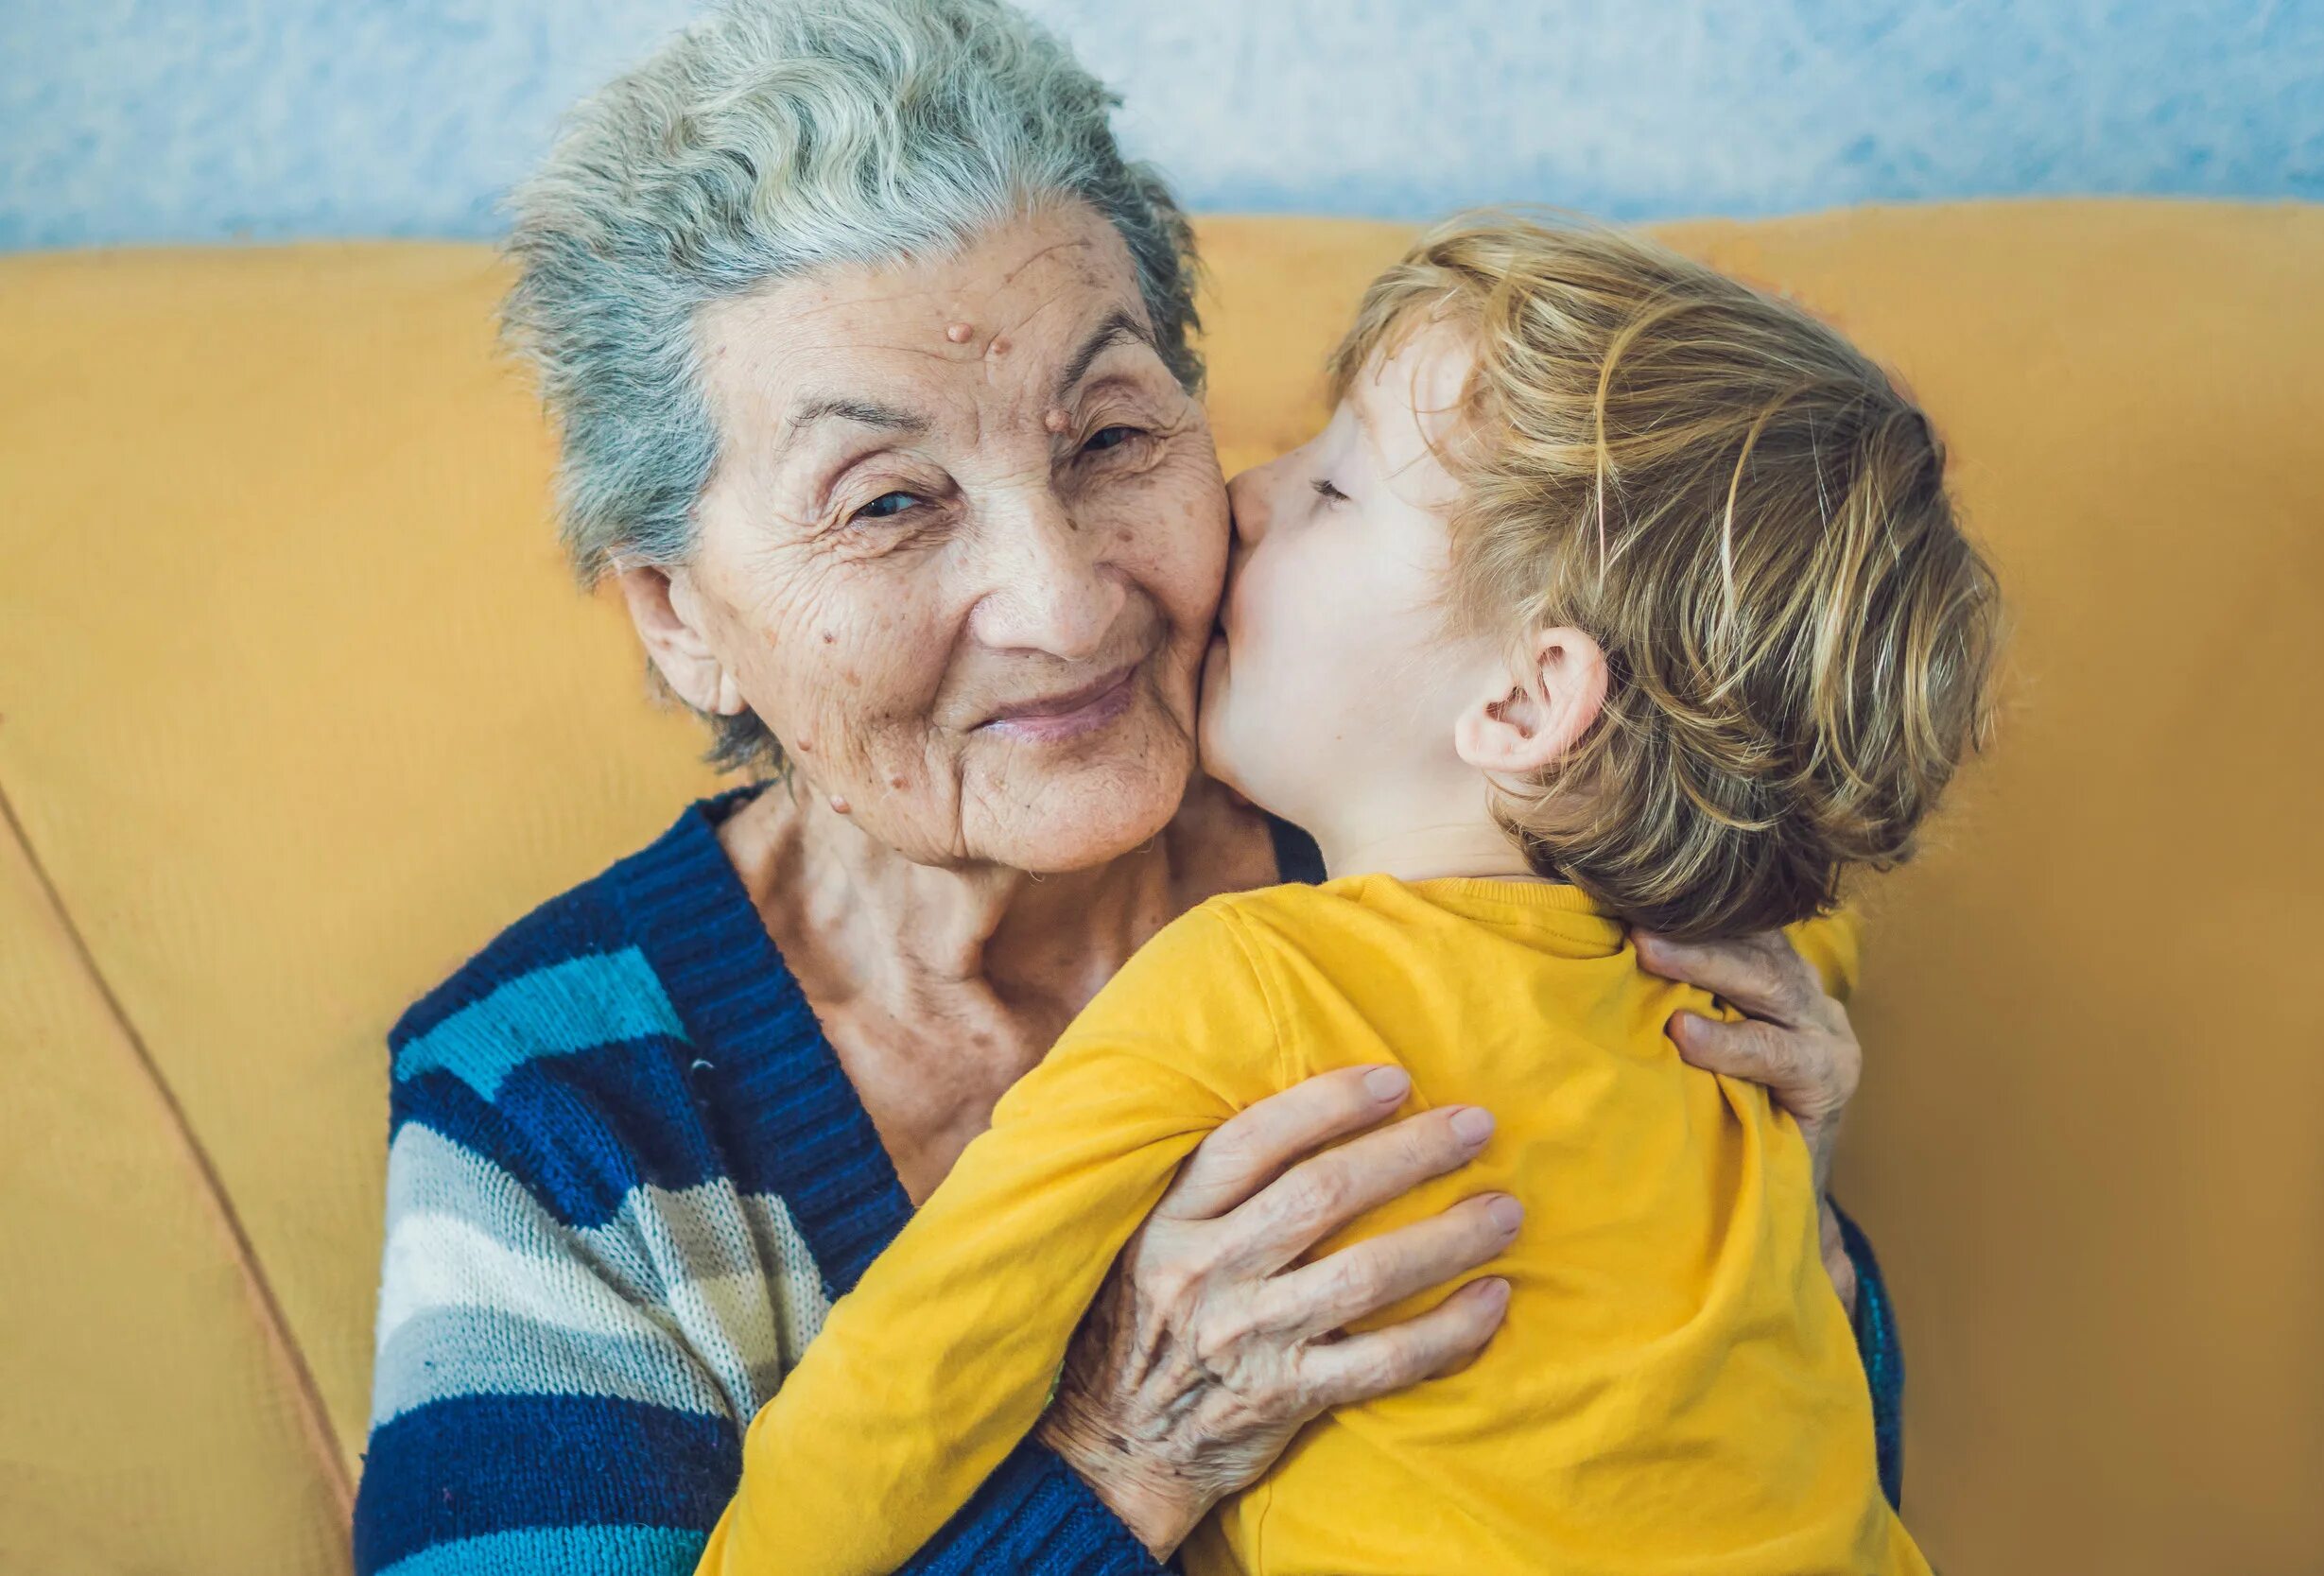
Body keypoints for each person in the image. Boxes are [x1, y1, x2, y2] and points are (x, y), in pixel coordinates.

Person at [353, 6, 1904, 1571]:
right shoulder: (550, 1105)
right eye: (890, 500)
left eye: (1106, 436)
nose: (1068, 603)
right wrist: (1118, 1469)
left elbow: (1737, 1494)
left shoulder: (1498, 854)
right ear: (682, 620)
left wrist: (1789, 1204)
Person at [700, 213, 1997, 1575]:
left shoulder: (1254, 984)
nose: (1252, 492)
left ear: (1523, 697)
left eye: (1334, 492)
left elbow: (913, 1371)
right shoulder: (1748, 982)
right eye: (890, 499)